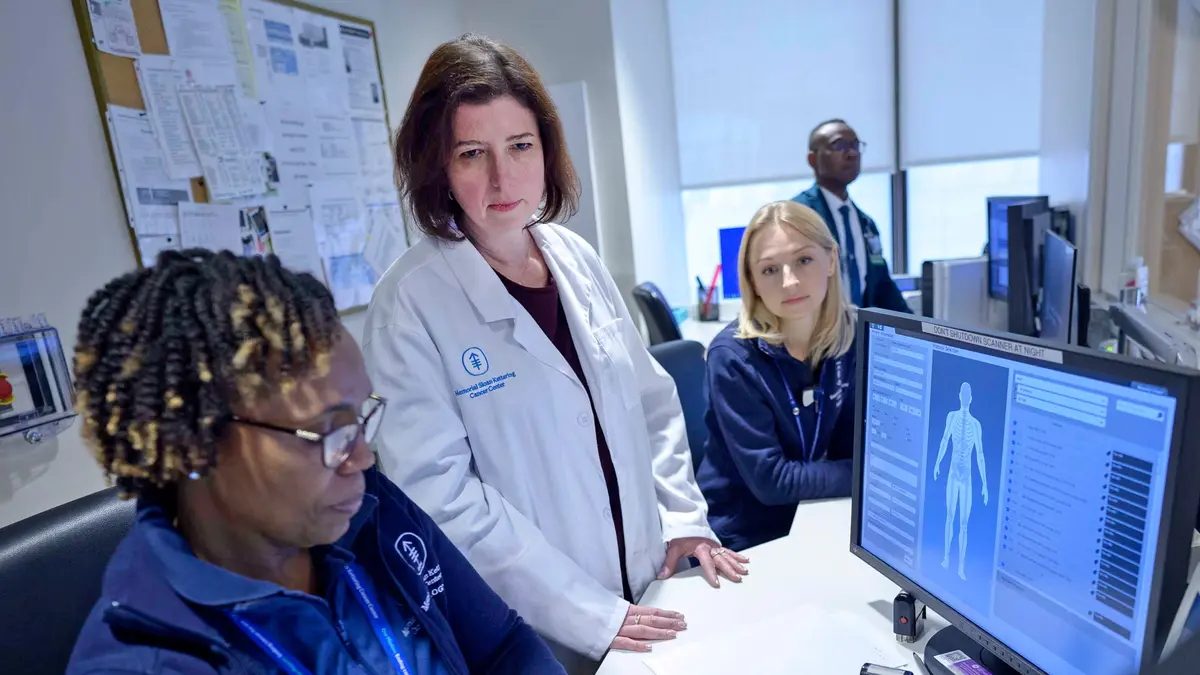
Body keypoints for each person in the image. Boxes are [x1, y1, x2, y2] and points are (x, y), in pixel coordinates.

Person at [362, 34, 748, 666]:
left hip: (650, 586)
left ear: (547, 148)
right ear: (438, 167)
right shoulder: (409, 304)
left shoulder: (575, 257)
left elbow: (651, 403)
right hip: (535, 630)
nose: (502, 176)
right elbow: (443, 502)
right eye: (471, 153)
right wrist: (586, 612)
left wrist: (682, 520)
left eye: (520, 146)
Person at [67, 250, 564, 675]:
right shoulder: (148, 659)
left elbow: (502, 648)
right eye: (327, 431)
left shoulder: (368, 507)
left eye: (361, 417)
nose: (364, 457)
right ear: (197, 444)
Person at [696, 201, 857, 552]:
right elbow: (773, 481)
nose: (790, 281)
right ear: (751, 282)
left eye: (804, 260)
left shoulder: (850, 337)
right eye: (769, 270)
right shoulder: (733, 358)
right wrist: (874, 475)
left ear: (831, 261)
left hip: (820, 515)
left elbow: (853, 446)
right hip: (744, 538)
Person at [792, 119, 910, 313]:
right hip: (813, 334)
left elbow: (882, 288)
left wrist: (917, 331)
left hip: (857, 334)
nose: (852, 153)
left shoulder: (866, 224)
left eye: (855, 145)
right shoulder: (798, 216)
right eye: (839, 145)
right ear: (813, 159)